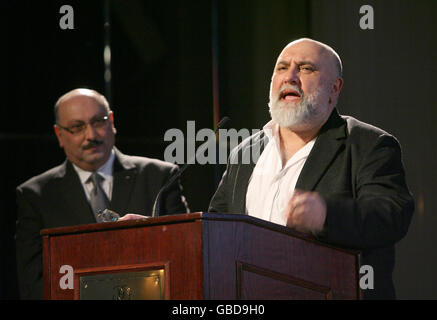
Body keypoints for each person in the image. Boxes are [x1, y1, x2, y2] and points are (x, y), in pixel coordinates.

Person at [208, 38, 414, 299]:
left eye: (306, 69)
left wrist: (326, 215)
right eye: (282, 68)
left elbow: (391, 216)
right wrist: (161, 231)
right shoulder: (245, 153)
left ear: (334, 88)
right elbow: (217, 228)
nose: (290, 77)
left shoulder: (368, 145)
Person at [15, 88, 189, 299]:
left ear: (112, 122)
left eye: (98, 122)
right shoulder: (35, 195)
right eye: (77, 127)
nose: (91, 135)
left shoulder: (160, 177)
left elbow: (185, 256)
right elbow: (34, 283)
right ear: (59, 135)